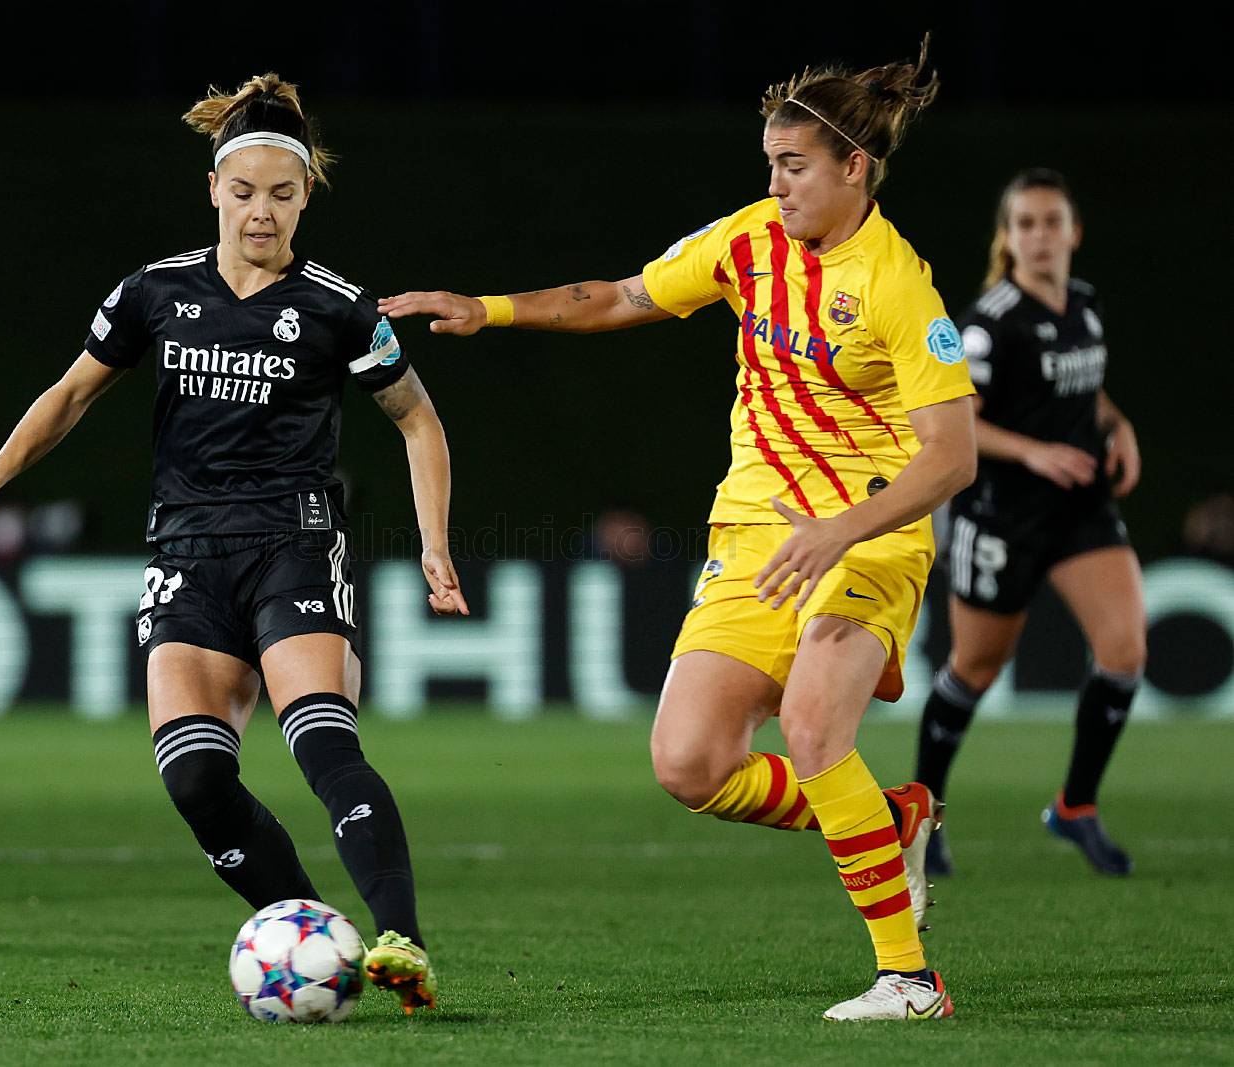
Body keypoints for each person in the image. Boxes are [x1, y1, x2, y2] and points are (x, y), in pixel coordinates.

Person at [381, 42, 974, 1021]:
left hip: (868, 537)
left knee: (819, 730)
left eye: (794, 167)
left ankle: (910, 977)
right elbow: (621, 295)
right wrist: (486, 310)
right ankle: (891, 818)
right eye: (771, 165)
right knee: (690, 763)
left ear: (853, 168)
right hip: (753, 536)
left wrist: (843, 529)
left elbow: (951, 457)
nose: (776, 185)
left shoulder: (900, 286)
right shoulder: (747, 242)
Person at [0, 74, 466, 1014]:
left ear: (307, 198)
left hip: (292, 544)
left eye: (284, 194)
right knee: (195, 778)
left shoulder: (340, 307)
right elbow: (69, 396)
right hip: (185, 553)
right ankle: (310, 935)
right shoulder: (155, 292)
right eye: (247, 191)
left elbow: (418, 420)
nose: (264, 212)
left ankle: (403, 943)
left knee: (322, 742)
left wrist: (434, 542)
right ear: (215, 189)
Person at [914, 169, 1145, 878]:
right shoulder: (987, 321)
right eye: (1026, 224)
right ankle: (922, 816)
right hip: (1001, 515)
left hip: (1079, 511)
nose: (1040, 236)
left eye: (1052, 222)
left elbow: (1083, 382)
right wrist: (1036, 451)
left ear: (1074, 231)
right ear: (1007, 238)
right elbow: (958, 427)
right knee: (974, 670)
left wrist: (1117, 423)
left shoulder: (1083, 303)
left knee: (1125, 651)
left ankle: (1075, 805)